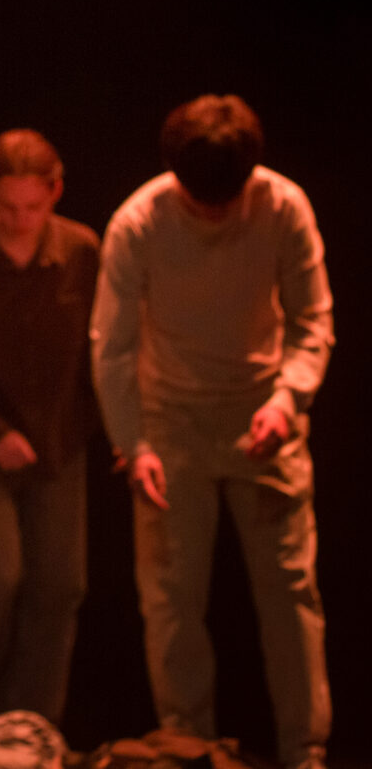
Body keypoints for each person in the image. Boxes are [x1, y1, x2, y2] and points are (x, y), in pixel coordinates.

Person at [91, 95, 332, 769]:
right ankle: (187, 745)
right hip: (172, 421)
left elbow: (313, 319)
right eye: (202, 202)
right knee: (170, 599)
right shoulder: (139, 223)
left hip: (264, 414)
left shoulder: (283, 207)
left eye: (227, 201)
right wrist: (133, 442)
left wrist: (288, 399)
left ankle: (306, 750)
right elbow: (111, 345)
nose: (215, 214)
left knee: (290, 592)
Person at [0, 129, 99, 725]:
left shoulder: (81, 250)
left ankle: (30, 726)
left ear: (55, 193)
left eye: (32, 207)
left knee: (60, 586)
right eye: (6, 207)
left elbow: (102, 349)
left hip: (58, 442)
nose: (18, 221)